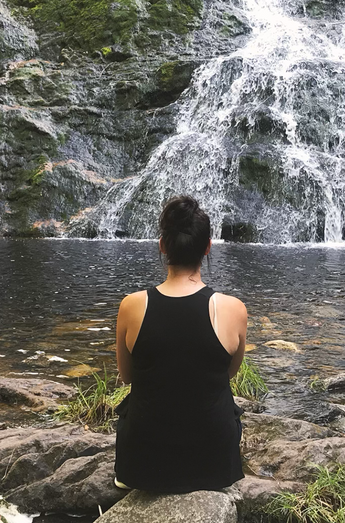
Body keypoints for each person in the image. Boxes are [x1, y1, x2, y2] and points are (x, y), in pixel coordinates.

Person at [113, 195, 248, 493]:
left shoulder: (132, 305)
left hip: (141, 465)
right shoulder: (233, 308)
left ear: (162, 246)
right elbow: (228, 373)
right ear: (208, 247)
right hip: (214, 464)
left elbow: (127, 376)